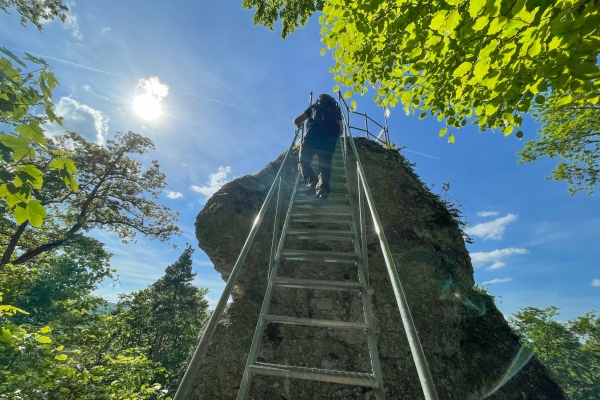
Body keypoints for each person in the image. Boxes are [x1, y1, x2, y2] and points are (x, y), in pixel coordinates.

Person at [293, 93, 343, 199]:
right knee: (325, 165)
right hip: (329, 139)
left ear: (319, 99)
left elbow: (296, 120)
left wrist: (299, 125)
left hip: (312, 135)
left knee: (303, 161)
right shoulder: (336, 109)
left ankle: (312, 181)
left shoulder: (314, 107)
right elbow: (341, 131)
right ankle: (322, 189)